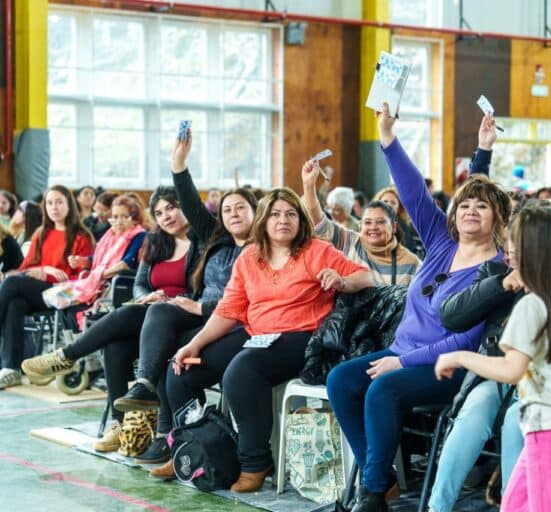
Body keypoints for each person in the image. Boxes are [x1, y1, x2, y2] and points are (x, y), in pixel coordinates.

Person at [326, 103, 512, 512]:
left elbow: (466, 336)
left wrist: (404, 361)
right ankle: (383, 477)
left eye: (482, 206)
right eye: (464, 205)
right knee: (340, 380)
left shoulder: (497, 269)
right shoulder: (440, 241)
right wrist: (388, 139)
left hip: (449, 366)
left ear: (497, 216)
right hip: (402, 354)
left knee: (383, 390)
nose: (470, 211)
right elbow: (411, 190)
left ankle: (372, 492)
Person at [151, 187, 373, 492]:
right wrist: (195, 344)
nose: (284, 220)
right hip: (258, 333)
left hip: (304, 336)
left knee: (242, 371)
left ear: (300, 220)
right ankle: (190, 447)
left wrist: (343, 281)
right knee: (182, 370)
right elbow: (229, 309)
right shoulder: (249, 258)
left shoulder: (316, 250)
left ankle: (255, 462)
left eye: (291, 214)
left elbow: (367, 276)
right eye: (276, 214)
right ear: (264, 221)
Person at [428, 202, 551, 512]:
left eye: (514, 247)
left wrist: (461, 357)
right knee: (516, 502)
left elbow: (511, 370)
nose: (509, 255)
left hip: (547, 427)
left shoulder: (531, 307)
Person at [112, 130, 259, 464]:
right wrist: (178, 165)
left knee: (175, 357)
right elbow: (192, 203)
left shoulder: (262, 249)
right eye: (227, 210)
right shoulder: (217, 240)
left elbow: (249, 300)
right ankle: (159, 414)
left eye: (241, 208)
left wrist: (201, 305)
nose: (233, 214)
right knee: (163, 328)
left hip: (235, 324)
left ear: (255, 212)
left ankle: (177, 441)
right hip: (208, 321)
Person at [21, 187, 197, 451]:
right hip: (151, 314)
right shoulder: (157, 242)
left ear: (186, 205)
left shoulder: (200, 243)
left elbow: (202, 289)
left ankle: (67, 356)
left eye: (171, 208)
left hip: (184, 316)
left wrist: (173, 297)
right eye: (159, 212)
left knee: (127, 315)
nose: (166, 216)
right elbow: (139, 284)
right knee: (114, 344)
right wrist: (147, 295)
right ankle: (120, 424)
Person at [0, 185, 94, 388]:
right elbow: (26, 269)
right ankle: (10, 369)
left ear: (69, 204)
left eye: (59, 202)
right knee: (15, 302)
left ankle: (10, 367)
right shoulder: (41, 233)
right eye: (50, 203)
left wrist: (48, 273)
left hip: (64, 294)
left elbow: (80, 279)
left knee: (11, 283)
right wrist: (46, 269)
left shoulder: (82, 237)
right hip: (37, 292)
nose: (54, 207)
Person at [302, 160, 421, 285]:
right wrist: (308, 185)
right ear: (360, 226)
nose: (373, 227)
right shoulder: (352, 242)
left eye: (380, 222)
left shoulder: (411, 263)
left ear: (393, 226)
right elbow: (321, 225)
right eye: (368, 222)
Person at [373, 186, 423, 257]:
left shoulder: (403, 227)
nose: (388, 205)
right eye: (385, 201)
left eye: (393, 203)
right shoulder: (370, 223)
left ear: (399, 208)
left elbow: (408, 251)